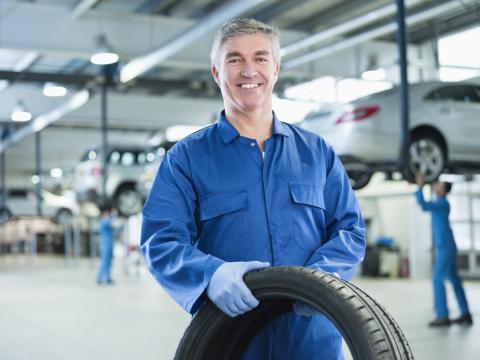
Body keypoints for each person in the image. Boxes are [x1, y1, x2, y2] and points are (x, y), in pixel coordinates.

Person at [141, 18, 365, 359]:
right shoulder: (186, 159)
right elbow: (160, 241)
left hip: (313, 340)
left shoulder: (317, 153)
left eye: (260, 58)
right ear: (217, 73)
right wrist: (211, 275)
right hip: (232, 340)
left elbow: (349, 230)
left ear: (275, 69)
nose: (249, 71)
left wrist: (320, 281)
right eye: (234, 60)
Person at [414, 173, 472, 327]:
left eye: (438, 184)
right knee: (454, 279)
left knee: (437, 279)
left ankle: (443, 315)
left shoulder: (442, 203)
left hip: (445, 247)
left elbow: (424, 205)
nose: (436, 185)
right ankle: (465, 313)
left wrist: (419, 186)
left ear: (444, 189)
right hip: (446, 245)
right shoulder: (440, 202)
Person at [97, 204, 116, 285]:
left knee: (109, 262)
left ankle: (108, 278)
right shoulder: (102, 222)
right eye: (107, 213)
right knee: (105, 262)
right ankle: (100, 278)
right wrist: (112, 215)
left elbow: (115, 227)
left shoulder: (108, 221)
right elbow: (108, 223)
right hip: (105, 244)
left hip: (110, 244)